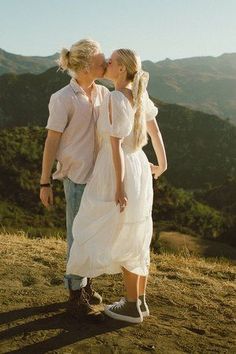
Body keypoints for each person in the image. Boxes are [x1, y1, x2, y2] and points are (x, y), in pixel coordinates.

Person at [66, 48, 167, 323]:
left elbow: (115, 146)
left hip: (118, 169)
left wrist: (119, 186)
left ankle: (131, 306)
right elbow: (154, 130)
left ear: (121, 69)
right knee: (137, 229)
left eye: (110, 61)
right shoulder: (140, 93)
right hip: (140, 166)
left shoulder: (113, 97)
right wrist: (163, 163)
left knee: (113, 228)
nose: (106, 64)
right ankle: (140, 301)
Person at [40, 39, 109, 319]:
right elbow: (51, 141)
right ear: (84, 65)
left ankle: (88, 285)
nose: (105, 64)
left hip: (100, 177)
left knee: (94, 235)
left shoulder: (104, 93)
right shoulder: (62, 98)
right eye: (100, 60)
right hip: (76, 177)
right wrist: (46, 182)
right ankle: (75, 294)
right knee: (77, 236)